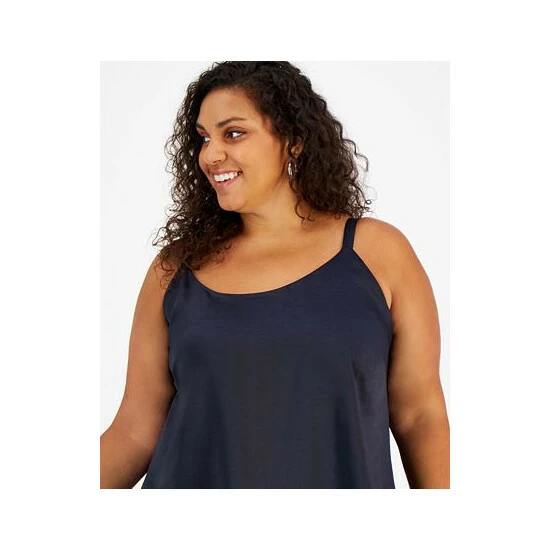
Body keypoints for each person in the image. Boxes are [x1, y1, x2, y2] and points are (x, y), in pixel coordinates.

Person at [100, 61, 450, 489]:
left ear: (293, 141)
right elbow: (134, 433)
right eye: (204, 138)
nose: (210, 155)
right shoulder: (175, 269)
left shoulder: (377, 253)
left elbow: (419, 415)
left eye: (233, 133)